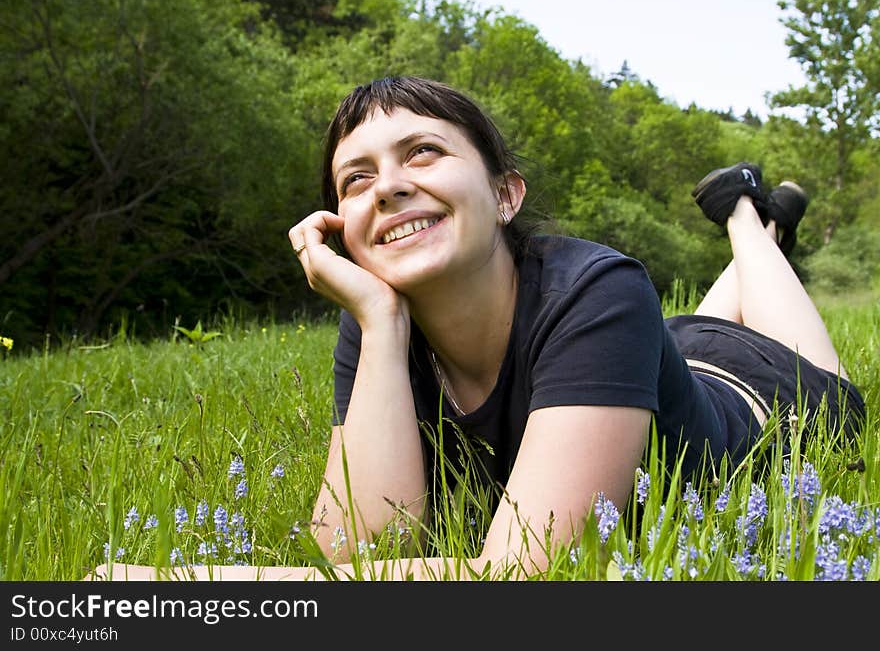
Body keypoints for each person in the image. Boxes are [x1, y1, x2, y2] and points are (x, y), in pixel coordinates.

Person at [88, 76, 865, 581]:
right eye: (356, 178)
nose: (388, 186)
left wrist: (200, 586)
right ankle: (758, 223)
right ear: (341, 225)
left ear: (504, 195)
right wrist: (382, 321)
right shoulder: (379, 317)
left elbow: (528, 572)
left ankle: (743, 213)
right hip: (655, 358)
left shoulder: (601, 289)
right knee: (687, 325)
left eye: (422, 152)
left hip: (764, 396)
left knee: (803, 361)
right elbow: (361, 548)